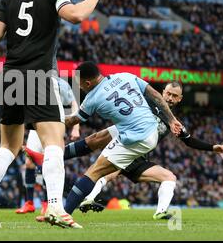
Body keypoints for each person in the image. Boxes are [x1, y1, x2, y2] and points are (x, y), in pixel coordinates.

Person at [0, 0, 103, 229]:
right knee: (54, 143)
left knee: (8, 146)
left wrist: (5, 13)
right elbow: (77, 16)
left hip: (10, 77)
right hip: (39, 76)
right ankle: (56, 206)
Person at [27, 81, 223, 219]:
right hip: (127, 138)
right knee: (97, 143)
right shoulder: (146, 105)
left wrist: (213, 148)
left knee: (169, 177)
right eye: (168, 93)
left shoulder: (173, 122)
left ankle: (160, 212)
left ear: (179, 100)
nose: (169, 97)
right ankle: (54, 161)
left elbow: (189, 140)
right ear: (162, 93)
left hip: (138, 159)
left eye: (174, 96)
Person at [62, 61, 183, 217]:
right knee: (97, 138)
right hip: (149, 129)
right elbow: (156, 95)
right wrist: (172, 119)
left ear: (87, 82)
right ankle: (55, 156)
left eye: (80, 85)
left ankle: (64, 213)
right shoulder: (126, 76)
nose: (79, 88)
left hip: (136, 137)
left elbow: (71, 121)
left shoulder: (92, 98)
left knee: (94, 172)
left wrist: (40, 122)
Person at [16, 77, 79, 219]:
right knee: (29, 162)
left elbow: (74, 105)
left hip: (54, 126)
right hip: (36, 126)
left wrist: (76, 128)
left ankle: (46, 203)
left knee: (48, 161)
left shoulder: (61, 84)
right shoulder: (35, 81)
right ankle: (29, 202)